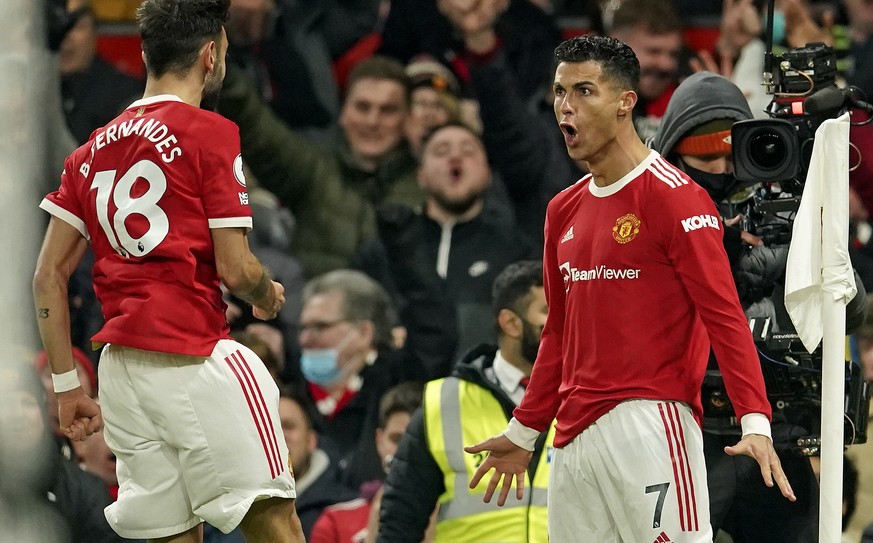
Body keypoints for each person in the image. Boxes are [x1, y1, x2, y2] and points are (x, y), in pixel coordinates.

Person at [464, 35, 795, 543]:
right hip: (572, 441)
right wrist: (524, 431)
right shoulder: (562, 212)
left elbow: (724, 317)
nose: (565, 107)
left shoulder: (676, 199)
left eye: (583, 91)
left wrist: (755, 420)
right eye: (558, 92)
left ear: (625, 103)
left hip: (651, 423)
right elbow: (558, 333)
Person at [31, 1, 305, 541]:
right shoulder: (211, 133)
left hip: (122, 375)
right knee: (277, 524)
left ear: (144, 54)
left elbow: (47, 277)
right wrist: (265, 295)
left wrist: (67, 387)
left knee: (171, 535)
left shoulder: (88, 152)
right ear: (212, 54)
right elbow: (235, 267)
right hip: (194, 352)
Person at [378, 260, 552, 542]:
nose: (563, 323)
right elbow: (401, 517)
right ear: (511, 323)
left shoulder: (584, 396)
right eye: (548, 311)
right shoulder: (445, 402)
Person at [353, 122, 536, 361]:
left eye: (468, 151)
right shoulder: (389, 247)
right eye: (441, 152)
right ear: (421, 176)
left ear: (488, 173)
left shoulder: (515, 249)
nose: (455, 157)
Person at [293, 269, 425, 485]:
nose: (306, 339)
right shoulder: (289, 396)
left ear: (364, 332)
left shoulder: (397, 381)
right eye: (304, 328)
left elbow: (432, 327)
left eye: (320, 327)